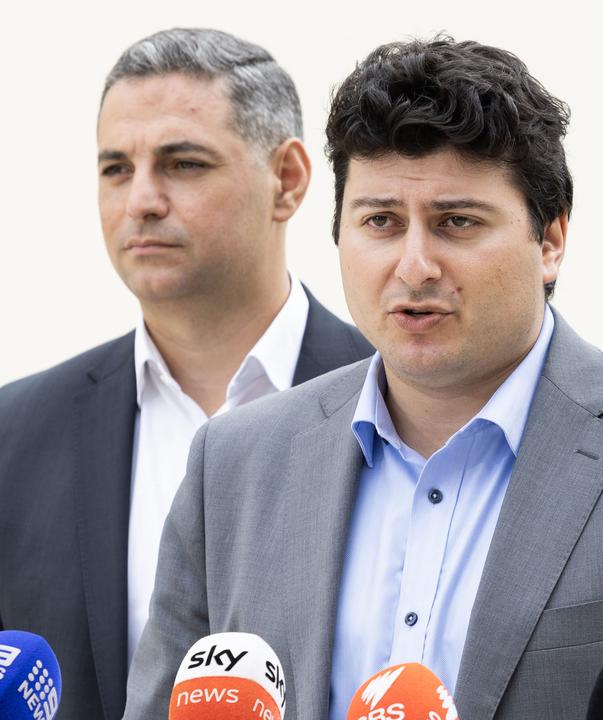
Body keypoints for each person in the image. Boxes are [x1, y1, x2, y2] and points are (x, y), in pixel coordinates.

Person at [122, 36, 603, 719]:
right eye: (380, 222)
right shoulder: (236, 465)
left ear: (551, 238)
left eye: (458, 222)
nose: (413, 265)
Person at [0, 28, 371, 720]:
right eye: (116, 169)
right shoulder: (15, 435)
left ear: (287, 180)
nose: (141, 199)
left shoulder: (403, 406)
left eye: (183, 164)